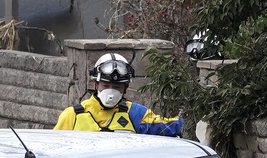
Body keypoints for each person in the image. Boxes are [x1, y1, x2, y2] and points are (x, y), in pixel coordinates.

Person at [54, 53, 183, 136]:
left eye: (117, 87)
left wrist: (187, 122)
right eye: (105, 85)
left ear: (125, 87)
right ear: (95, 84)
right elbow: (53, 148)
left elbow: (166, 126)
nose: (110, 90)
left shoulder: (134, 113)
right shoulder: (72, 115)